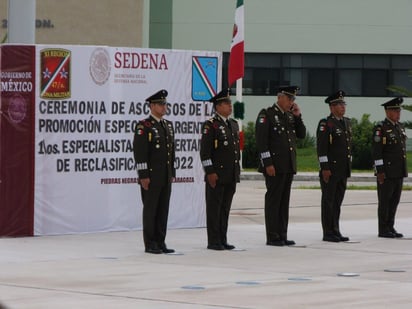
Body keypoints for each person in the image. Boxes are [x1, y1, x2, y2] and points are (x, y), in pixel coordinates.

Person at [255, 86, 306, 246]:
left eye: (293, 100)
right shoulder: (267, 114)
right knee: (273, 201)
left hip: (288, 165)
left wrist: (297, 116)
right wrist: (268, 163)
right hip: (274, 167)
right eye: (289, 99)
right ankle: (272, 236)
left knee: (284, 202)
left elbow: (301, 134)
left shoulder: (290, 116)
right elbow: (262, 142)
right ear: (280, 97)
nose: (291, 102)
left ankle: (282, 234)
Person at [133, 89, 176, 254]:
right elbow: (140, 152)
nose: (164, 107)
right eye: (160, 104)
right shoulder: (144, 126)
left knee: (163, 209)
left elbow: (171, 152)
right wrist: (143, 175)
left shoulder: (167, 125)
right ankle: (150, 243)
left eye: (165, 104)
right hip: (151, 176)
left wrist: (172, 172)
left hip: (165, 176)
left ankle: (160, 241)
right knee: (151, 210)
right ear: (151, 106)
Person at [200, 89, 240, 250]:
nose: (230, 106)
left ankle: (223, 238)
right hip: (217, 174)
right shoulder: (211, 125)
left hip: (230, 174)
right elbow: (205, 152)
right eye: (227, 103)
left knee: (225, 209)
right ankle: (213, 240)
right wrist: (210, 172)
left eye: (230, 103)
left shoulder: (233, 124)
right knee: (214, 209)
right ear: (218, 106)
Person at [317, 90, 352, 242]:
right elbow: (322, 148)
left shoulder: (346, 122)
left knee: (337, 202)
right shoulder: (326, 124)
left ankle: (336, 230)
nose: (342, 107)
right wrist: (325, 168)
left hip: (343, 170)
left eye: (343, 104)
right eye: (339, 104)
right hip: (330, 170)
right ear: (331, 107)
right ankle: (328, 232)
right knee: (328, 202)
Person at [372, 97, 407, 238]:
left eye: (399, 110)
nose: (398, 113)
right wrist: (379, 171)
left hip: (398, 171)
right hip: (386, 171)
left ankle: (390, 226)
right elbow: (377, 151)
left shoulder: (399, 127)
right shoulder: (381, 128)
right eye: (395, 110)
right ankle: (383, 229)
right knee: (385, 201)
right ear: (388, 112)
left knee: (394, 201)